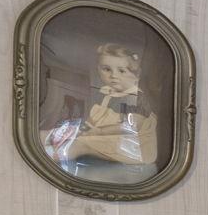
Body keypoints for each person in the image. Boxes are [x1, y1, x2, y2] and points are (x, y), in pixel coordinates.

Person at [48, 42, 159, 180]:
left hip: (132, 146)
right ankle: (45, 144)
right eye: (106, 69)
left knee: (80, 145)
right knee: (61, 133)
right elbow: (96, 118)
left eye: (122, 71)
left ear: (136, 74)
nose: (113, 75)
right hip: (109, 137)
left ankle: (49, 159)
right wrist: (83, 128)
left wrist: (98, 132)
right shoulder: (107, 94)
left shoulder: (134, 97)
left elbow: (131, 126)